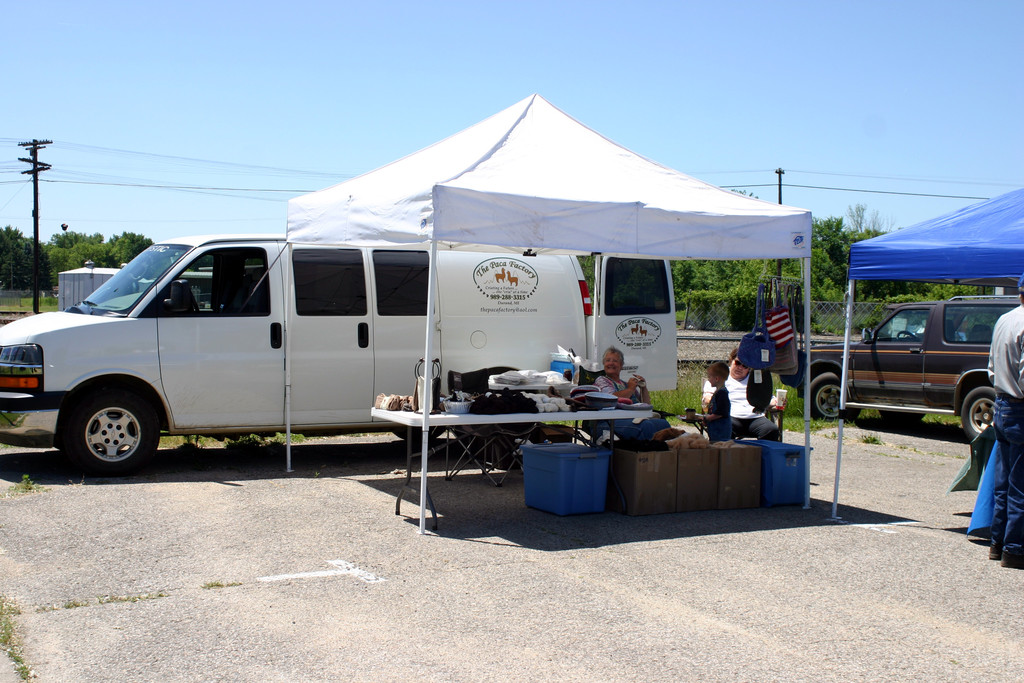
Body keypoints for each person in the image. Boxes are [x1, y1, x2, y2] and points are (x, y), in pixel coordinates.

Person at [986, 272, 1024, 570]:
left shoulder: (1004, 319)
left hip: (1001, 403)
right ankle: (1015, 548)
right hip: (1020, 406)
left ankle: (997, 543)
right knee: (1020, 484)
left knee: (1003, 483)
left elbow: (991, 367)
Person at [592, 346, 671, 441]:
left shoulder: (626, 384)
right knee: (646, 426)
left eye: (615, 361)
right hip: (609, 421)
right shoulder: (601, 380)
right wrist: (630, 389)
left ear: (621, 365)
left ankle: (660, 450)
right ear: (604, 363)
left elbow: (646, 405)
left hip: (631, 419)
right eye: (608, 360)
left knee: (663, 424)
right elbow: (611, 398)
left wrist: (643, 388)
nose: (611, 363)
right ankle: (646, 450)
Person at [700, 361, 732, 442]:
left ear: (716, 379)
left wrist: (707, 418)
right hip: (715, 429)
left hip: (721, 430)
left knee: (719, 446)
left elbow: (721, 412)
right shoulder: (717, 393)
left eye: (709, 377)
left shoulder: (722, 393)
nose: (708, 379)